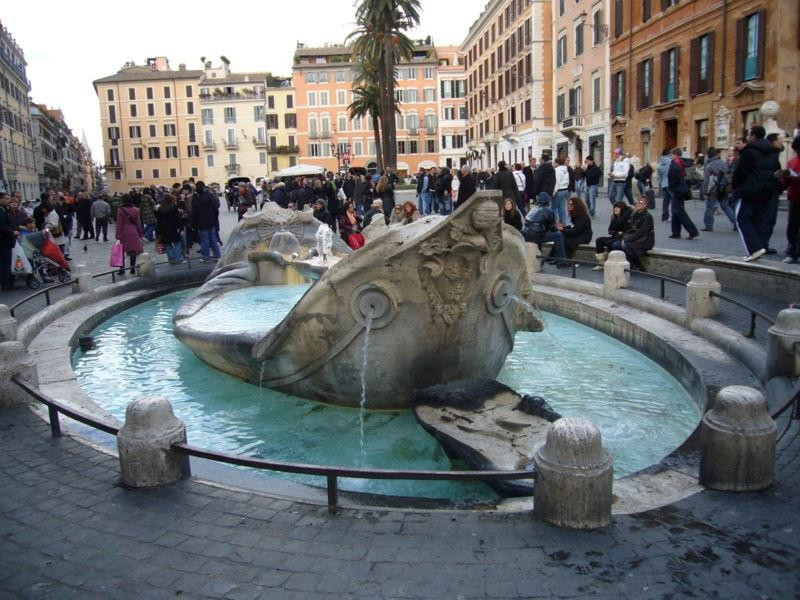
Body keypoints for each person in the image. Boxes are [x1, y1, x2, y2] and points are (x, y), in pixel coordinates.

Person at [733, 125, 781, 262]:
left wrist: (736, 187)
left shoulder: (749, 151)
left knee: (741, 217)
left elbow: (740, 172)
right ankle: (760, 244)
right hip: (767, 189)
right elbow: (777, 169)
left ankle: (754, 249)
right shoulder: (771, 152)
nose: (748, 137)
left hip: (750, 189)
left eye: (748, 134)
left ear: (753, 136)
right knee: (757, 219)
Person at [521, 192, 567, 266]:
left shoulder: (533, 209)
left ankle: (541, 258)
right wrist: (560, 229)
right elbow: (553, 228)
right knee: (558, 236)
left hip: (526, 235)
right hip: (536, 236)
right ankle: (562, 261)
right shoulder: (548, 211)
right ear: (548, 202)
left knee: (539, 233)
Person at [614, 195, 655, 271]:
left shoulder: (647, 217)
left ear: (645, 205)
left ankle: (639, 266)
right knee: (616, 245)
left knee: (626, 246)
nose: (638, 204)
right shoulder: (634, 215)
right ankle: (630, 264)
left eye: (641, 202)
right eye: (636, 202)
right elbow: (628, 228)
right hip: (634, 238)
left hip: (645, 240)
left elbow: (641, 232)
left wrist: (628, 239)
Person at [667, 147, 700, 240]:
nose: (670, 156)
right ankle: (676, 232)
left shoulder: (676, 163)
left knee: (680, 211)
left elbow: (674, 176)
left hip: (677, 189)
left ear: (675, 154)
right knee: (675, 211)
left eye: (671, 154)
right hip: (681, 188)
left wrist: (671, 187)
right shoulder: (681, 162)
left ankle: (693, 231)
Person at [701, 147, 736, 232]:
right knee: (726, 207)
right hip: (724, 188)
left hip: (713, 189)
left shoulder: (709, 165)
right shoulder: (723, 163)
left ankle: (709, 226)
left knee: (709, 207)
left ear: (708, 155)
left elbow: (707, 181)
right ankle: (736, 223)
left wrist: (705, 192)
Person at [593, 202, 631, 271]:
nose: (615, 209)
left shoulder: (627, 218)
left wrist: (618, 233)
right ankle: (601, 263)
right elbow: (610, 230)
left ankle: (612, 262)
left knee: (610, 243)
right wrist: (617, 232)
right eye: (614, 208)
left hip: (622, 238)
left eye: (617, 208)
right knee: (599, 240)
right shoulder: (613, 217)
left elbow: (626, 231)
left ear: (622, 209)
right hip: (615, 236)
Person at [780, 135, 800, 263]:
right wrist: (784, 177)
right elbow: (785, 183)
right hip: (794, 198)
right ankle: (792, 252)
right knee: (792, 227)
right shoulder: (792, 162)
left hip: (795, 196)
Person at [192, 181, 221, 263]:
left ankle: (206, 257)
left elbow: (194, 213)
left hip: (201, 223)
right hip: (211, 222)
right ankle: (217, 255)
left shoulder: (196, 200)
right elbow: (216, 209)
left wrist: (194, 223)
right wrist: (214, 219)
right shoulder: (210, 197)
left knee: (205, 241)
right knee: (213, 239)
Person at [114, 194, 144, 274]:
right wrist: (140, 233)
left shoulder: (120, 210)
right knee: (133, 251)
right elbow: (138, 223)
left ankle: (122, 269)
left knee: (121, 251)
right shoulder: (136, 210)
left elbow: (119, 223)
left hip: (124, 232)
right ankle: (132, 268)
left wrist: (118, 235)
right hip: (133, 232)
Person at [155, 194, 184, 264]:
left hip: (164, 229)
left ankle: (171, 259)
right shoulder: (174, 208)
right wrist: (181, 228)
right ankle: (178, 258)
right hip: (173, 228)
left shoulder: (160, 209)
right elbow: (178, 220)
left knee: (168, 244)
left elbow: (158, 221)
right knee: (177, 242)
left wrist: (158, 232)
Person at [0, 192, 20, 290]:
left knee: (5, 263)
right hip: (3, 242)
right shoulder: (1, 210)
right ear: (1, 199)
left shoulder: (4, 209)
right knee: (5, 263)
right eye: (7, 198)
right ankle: (7, 284)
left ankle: (6, 283)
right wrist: (12, 232)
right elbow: (2, 226)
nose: (9, 200)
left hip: (5, 241)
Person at [552, 157, 571, 226]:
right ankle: (563, 223)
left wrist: (554, 191)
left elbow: (557, 181)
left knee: (553, 207)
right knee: (562, 208)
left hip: (559, 190)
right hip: (565, 189)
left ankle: (554, 223)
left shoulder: (558, 170)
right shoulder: (566, 170)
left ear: (558, 163)